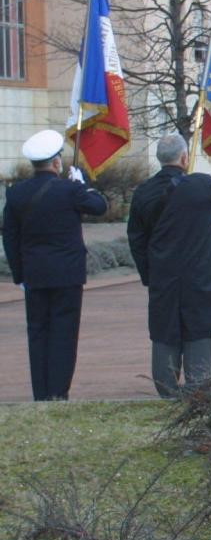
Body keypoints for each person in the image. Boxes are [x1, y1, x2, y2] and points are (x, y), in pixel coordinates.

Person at [126, 132, 211, 398]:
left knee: (165, 331)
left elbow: (136, 240)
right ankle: (197, 392)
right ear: (185, 157)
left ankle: (167, 390)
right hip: (201, 275)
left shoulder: (143, 192)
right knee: (199, 329)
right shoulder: (201, 185)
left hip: (163, 275)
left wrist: (149, 274)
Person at [2, 129, 107, 401]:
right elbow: (99, 206)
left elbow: (10, 238)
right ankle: (58, 393)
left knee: (38, 333)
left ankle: (40, 393)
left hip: (34, 274)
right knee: (64, 333)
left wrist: (19, 275)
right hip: (67, 274)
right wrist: (82, 184)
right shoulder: (71, 190)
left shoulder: (17, 194)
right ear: (57, 162)